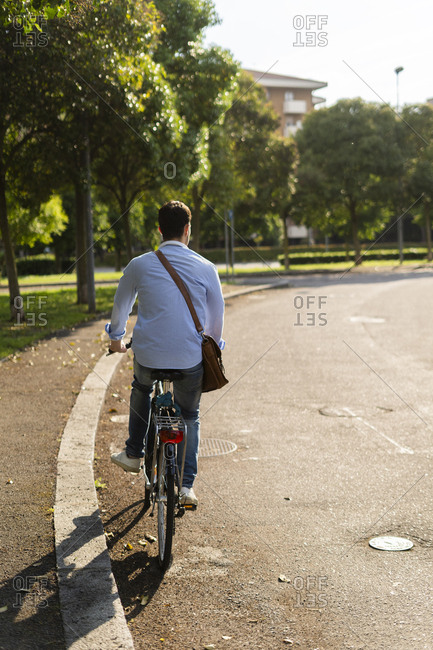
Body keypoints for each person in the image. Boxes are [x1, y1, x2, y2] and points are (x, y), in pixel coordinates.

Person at [106, 200, 225, 506]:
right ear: (188, 230)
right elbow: (216, 318)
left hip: (148, 355)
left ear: (159, 230)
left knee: (142, 388)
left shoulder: (139, 264)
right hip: (190, 360)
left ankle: (134, 453)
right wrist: (215, 344)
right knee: (190, 415)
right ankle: (186, 487)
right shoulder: (206, 267)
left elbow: (121, 306)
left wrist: (116, 338)